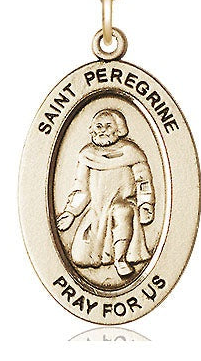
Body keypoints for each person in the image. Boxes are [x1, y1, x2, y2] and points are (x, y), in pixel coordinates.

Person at [56, 109, 155, 277]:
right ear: (92, 129)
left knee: (122, 212)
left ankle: (120, 259)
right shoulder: (87, 155)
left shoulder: (131, 153)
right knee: (81, 257)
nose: (102, 130)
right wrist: (70, 212)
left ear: (119, 129)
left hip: (123, 204)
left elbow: (143, 181)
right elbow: (81, 188)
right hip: (97, 210)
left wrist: (145, 204)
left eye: (108, 126)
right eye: (99, 126)